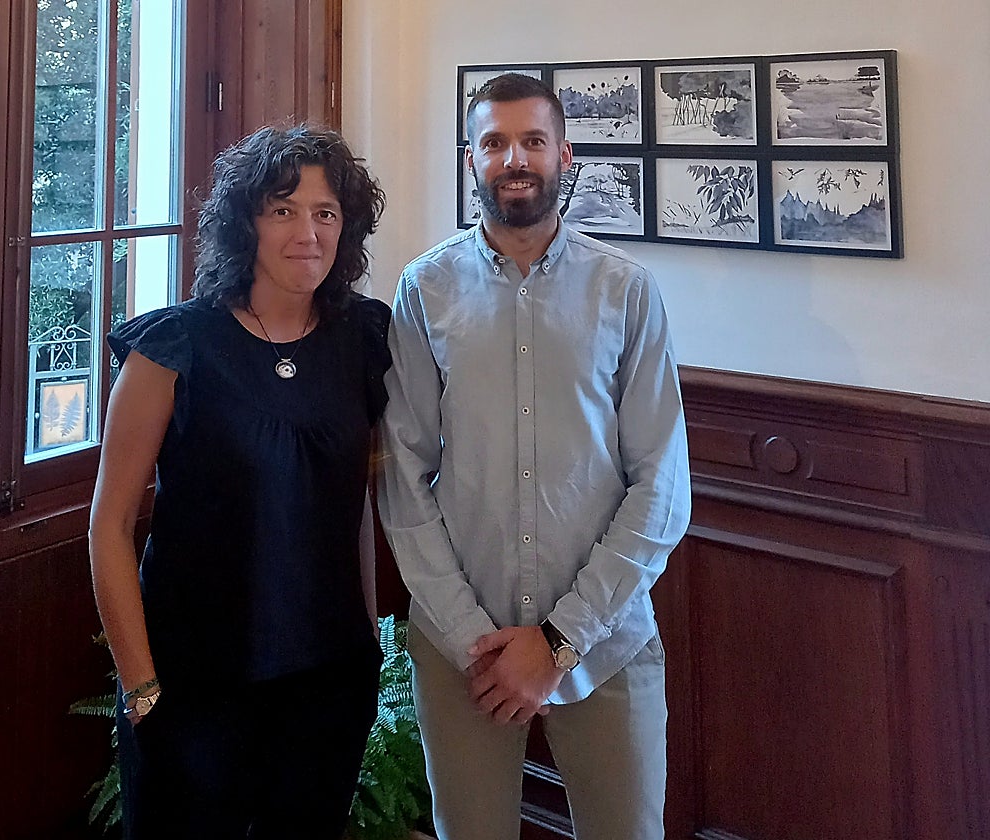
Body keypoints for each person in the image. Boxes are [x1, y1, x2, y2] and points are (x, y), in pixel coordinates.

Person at [378, 73, 691, 839]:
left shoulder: (626, 292)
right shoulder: (424, 289)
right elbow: (404, 478)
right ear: (471, 159)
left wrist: (558, 641)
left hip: (606, 642)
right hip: (463, 650)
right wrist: (470, 639)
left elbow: (661, 486)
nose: (514, 159)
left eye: (532, 141)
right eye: (494, 143)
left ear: (564, 155)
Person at [88, 124, 390, 839]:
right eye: (283, 210)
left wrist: (369, 649)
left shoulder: (365, 338)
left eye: (325, 213)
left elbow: (359, 506)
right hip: (192, 689)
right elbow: (109, 527)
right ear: (244, 223)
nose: (307, 234)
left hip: (327, 684)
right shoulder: (174, 346)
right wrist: (141, 687)